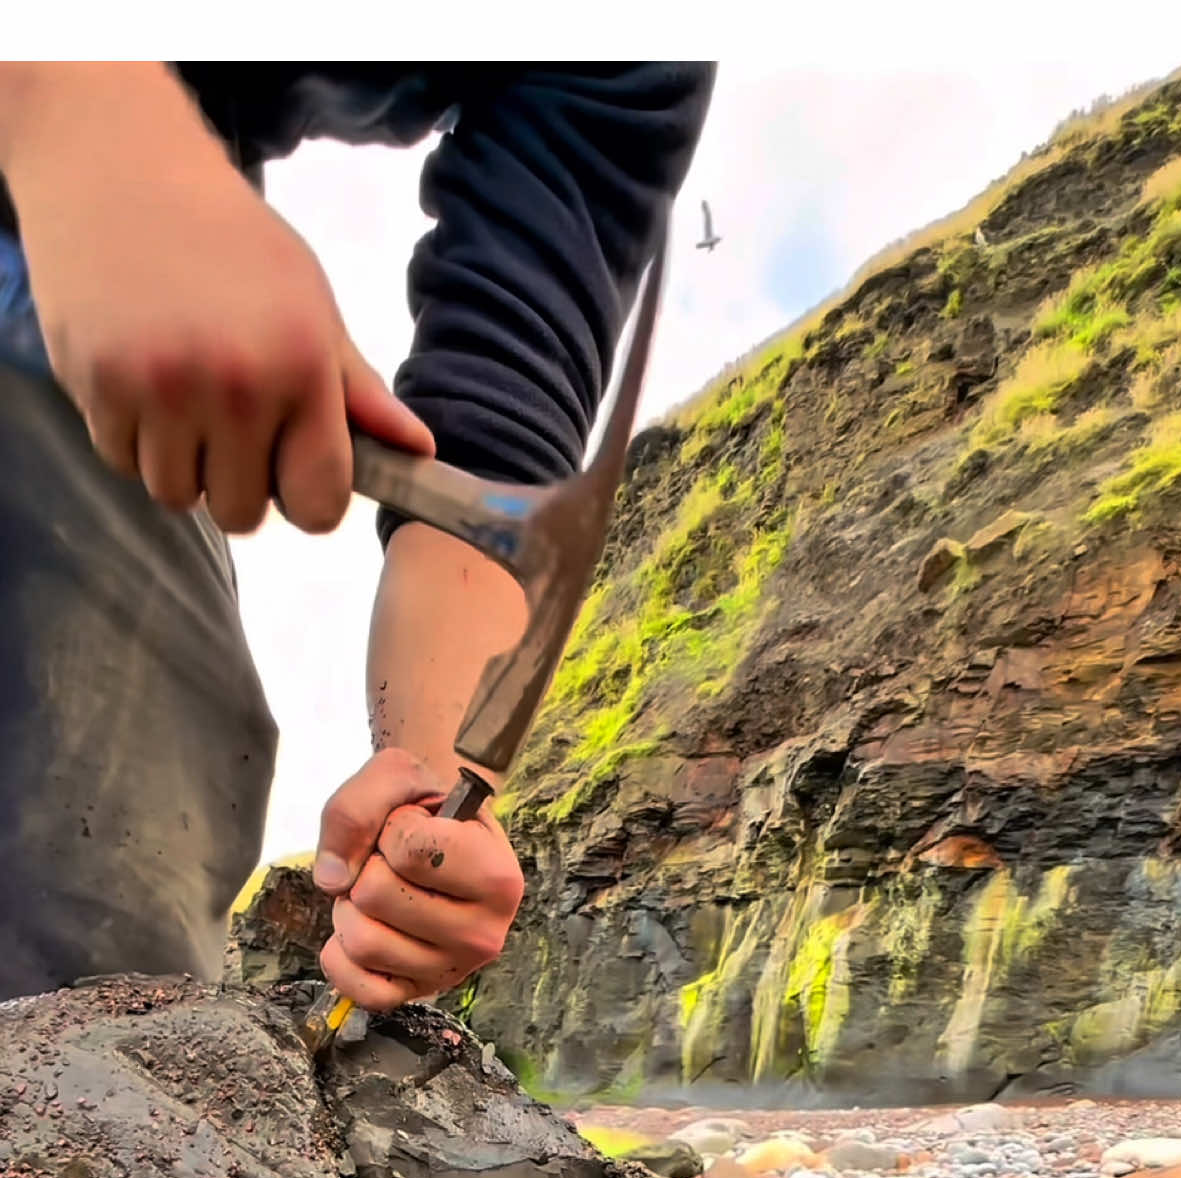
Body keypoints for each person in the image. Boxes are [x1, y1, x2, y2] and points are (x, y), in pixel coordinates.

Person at [0, 62, 715, 1010]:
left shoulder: (634, 59)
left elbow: (495, 428)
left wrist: (423, 809)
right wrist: (91, 124)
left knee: (106, 926)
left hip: (110, 349)